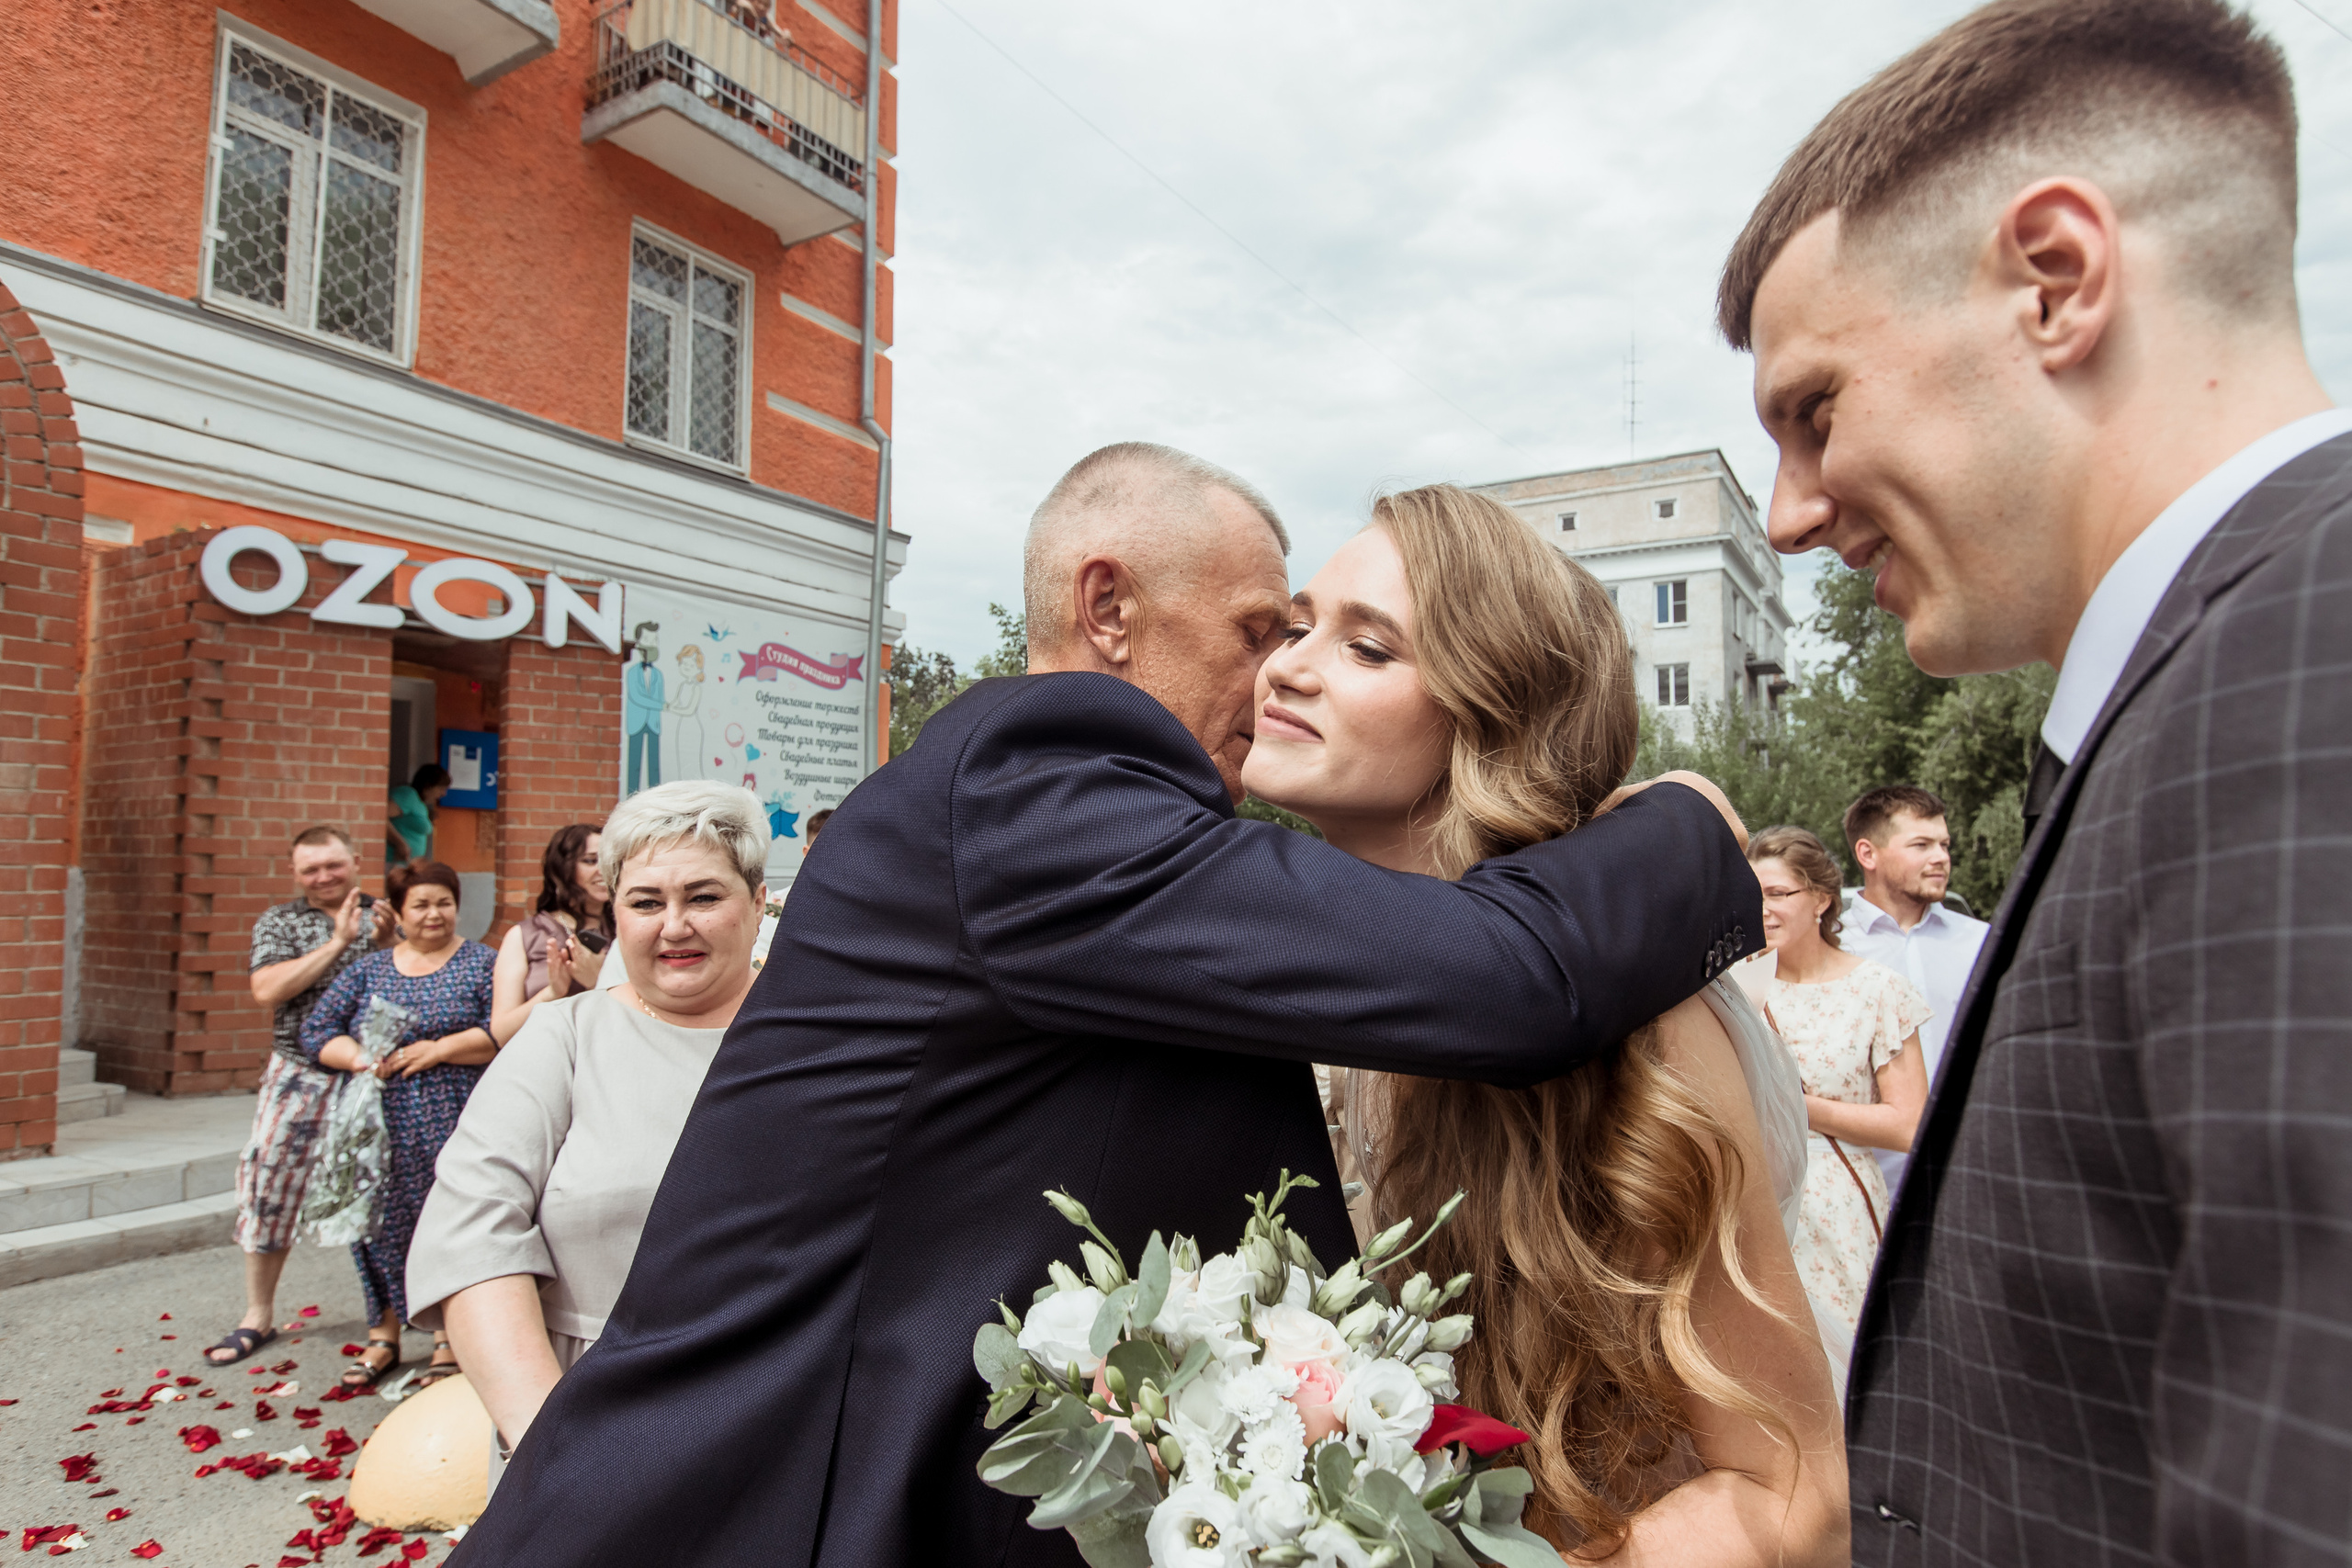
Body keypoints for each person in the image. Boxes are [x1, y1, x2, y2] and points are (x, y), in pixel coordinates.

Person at [452, 441, 1761, 1567]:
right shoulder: (1049, 771)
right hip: (756, 1517)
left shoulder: (1146, 874)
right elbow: (1508, 975)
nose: (1276, 675)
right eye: (1266, 627)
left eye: (1335, 641)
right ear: (1110, 609)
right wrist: (1691, 824)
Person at [1721, 0, 2352, 1554]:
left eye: (1816, 410)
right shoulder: (2215, 669)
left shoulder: (2307, 648)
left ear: (2056, 281)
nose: (1794, 513)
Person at [1250, 486, 1845, 1562]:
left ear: (1490, 714)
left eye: (1368, 649)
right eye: (1296, 628)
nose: (1286, 667)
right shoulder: (1328, 984)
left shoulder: (1627, 1023)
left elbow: (1790, 1493)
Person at [409, 784, 768, 1491]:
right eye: (645, 901)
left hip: (784, 1416)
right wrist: (558, 1449)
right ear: (614, 912)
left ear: (757, 904)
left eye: (703, 897)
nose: (674, 926)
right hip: (586, 1416)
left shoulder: (821, 1039)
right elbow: (471, 1237)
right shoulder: (563, 1038)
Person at [301, 860, 497, 1391]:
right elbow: (316, 1029)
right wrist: (360, 1057)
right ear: (400, 913)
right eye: (421, 905)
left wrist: (440, 1049)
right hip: (374, 1127)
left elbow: (500, 1031)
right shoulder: (369, 969)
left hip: (453, 1115)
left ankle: (446, 1339)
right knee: (375, 1227)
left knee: (444, 1223)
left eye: (444, 902)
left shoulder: (483, 964)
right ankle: (382, 1335)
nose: (434, 914)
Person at [1745, 826, 1928, 1389]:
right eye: (1753, 896)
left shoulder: (1876, 989)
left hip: (1842, 1211)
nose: (1764, 909)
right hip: (1755, 1206)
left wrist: (1800, 1108)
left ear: (1822, 899)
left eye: (1778, 894)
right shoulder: (1735, 991)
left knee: (1854, 1377)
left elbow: (1908, 1125)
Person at [207, 827, 396, 1368]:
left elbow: (407, 976)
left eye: (333, 865)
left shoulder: (386, 917)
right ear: (295, 874)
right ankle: (257, 1315)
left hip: (369, 1075)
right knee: (270, 1182)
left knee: (379, 1198)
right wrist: (338, 942)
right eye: (310, 869)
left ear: (355, 862)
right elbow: (267, 990)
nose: (323, 877)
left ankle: (389, 1326)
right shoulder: (280, 922)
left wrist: (385, 946)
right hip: (299, 1073)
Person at [1837, 785, 1988, 1192]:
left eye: (1944, 844)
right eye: (1921, 844)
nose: (1941, 857)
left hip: (1973, 1175)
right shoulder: (1834, 948)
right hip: (1866, 1186)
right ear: (1867, 854)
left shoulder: (1984, 945)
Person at [491, 824, 613, 1043]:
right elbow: (501, 1034)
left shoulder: (630, 930)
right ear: (563, 868)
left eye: (609, 860)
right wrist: (552, 993)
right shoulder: (526, 935)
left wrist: (597, 983)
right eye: (590, 860)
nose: (602, 869)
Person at [625, 623, 664, 795]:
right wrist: (664, 705)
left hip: (653, 723)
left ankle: (657, 802)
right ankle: (630, 800)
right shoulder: (632, 672)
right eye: (648, 639)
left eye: (654, 640)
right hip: (636, 722)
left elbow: (660, 696)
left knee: (654, 768)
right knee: (634, 765)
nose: (652, 644)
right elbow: (637, 696)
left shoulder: (658, 674)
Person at [386, 763, 450, 868]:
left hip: (409, 866)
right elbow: (379, 817)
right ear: (428, 785)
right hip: (395, 865)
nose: (444, 794)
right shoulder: (408, 795)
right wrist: (400, 843)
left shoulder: (421, 804)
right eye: (441, 788)